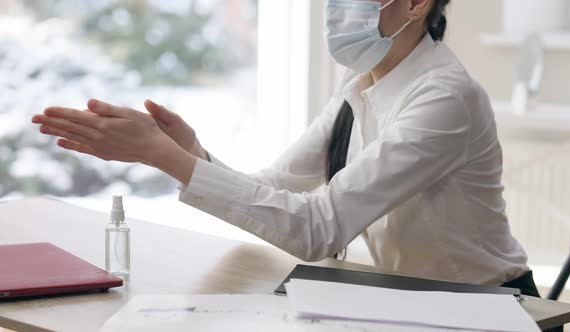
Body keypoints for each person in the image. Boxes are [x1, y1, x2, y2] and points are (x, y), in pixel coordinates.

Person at [32, 0, 541, 296]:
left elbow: (318, 228)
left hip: (489, 308)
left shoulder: (444, 96)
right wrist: (191, 153)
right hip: (412, 301)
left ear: (415, 5)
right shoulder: (360, 79)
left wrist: (163, 157)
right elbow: (278, 188)